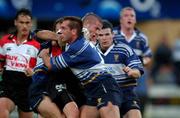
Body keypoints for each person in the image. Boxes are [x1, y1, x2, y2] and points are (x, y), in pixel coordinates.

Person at [38, 16, 122, 118]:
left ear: (73, 32)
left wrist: (44, 54)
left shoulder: (77, 48)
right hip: (91, 89)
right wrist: (56, 36)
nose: (60, 31)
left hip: (102, 85)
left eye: (63, 29)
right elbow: (41, 34)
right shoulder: (75, 38)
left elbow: (50, 64)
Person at [29, 18, 84, 118]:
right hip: (40, 89)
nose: (59, 33)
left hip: (61, 87)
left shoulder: (70, 49)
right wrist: (58, 36)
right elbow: (38, 34)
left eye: (63, 31)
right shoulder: (45, 47)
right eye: (57, 30)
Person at [97, 20, 144, 118]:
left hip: (126, 92)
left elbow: (138, 71)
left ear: (113, 34)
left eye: (107, 34)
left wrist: (132, 72)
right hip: (104, 92)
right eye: (101, 35)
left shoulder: (124, 49)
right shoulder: (91, 51)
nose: (104, 38)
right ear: (97, 36)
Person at [0, 8, 40, 118]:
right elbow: (1, 61)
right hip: (8, 86)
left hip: (27, 88)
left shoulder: (37, 46)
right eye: (21, 22)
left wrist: (34, 72)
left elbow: (42, 70)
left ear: (31, 23)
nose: (25, 26)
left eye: (27, 23)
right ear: (15, 23)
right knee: (1, 112)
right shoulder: (4, 41)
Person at [113, 7, 152, 116]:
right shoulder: (112, 34)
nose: (129, 18)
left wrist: (139, 63)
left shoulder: (142, 37)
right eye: (126, 16)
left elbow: (148, 56)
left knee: (139, 102)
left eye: (132, 16)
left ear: (135, 20)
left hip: (136, 75)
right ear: (121, 19)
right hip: (117, 74)